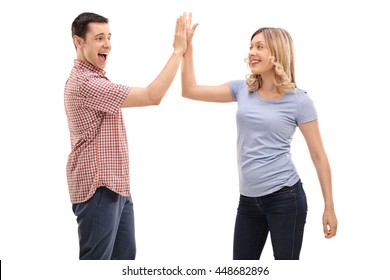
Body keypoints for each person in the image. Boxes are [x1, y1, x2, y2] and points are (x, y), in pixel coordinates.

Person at [181, 14, 337, 260]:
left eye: (260, 47)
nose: (252, 52)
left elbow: (318, 156)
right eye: (251, 46)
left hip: (286, 199)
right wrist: (187, 48)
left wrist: (329, 206)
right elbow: (190, 90)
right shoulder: (242, 89)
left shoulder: (300, 101)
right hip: (248, 201)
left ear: (278, 52)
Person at [64, 12, 187, 260]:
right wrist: (177, 52)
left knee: (125, 262)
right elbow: (153, 96)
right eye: (99, 38)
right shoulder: (86, 83)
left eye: (108, 37)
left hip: (117, 186)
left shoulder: (96, 78)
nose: (107, 44)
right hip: (98, 188)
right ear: (79, 42)